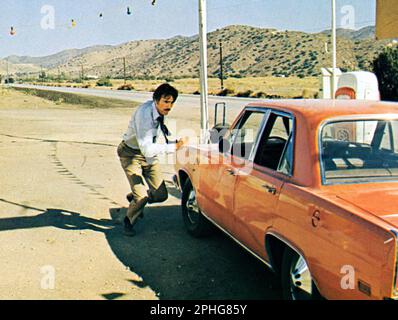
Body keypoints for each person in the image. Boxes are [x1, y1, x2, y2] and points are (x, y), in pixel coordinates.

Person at [117, 83, 187, 237]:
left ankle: (134, 198)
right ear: (156, 100)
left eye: (171, 102)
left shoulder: (158, 111)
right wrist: (173, 148)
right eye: (165, 102)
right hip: (130, 155)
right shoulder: (145, 116)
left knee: (161, 194)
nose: (169, 106)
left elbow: (155, 140)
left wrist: (173, 142)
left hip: (147, 154)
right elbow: (147, 149)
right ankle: (128, 221)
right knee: (141, 196)